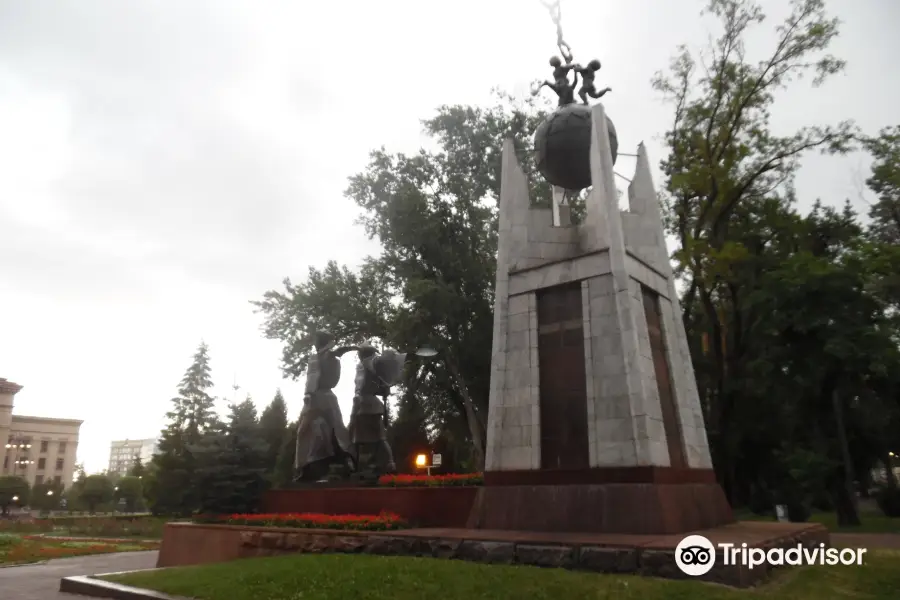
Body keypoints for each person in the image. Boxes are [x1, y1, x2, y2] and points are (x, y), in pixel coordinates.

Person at [293, 331, 358, 482]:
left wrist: (309, 393)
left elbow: (324, 379)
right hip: (321, 398)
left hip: (320, 396)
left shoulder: (325, 358)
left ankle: (346, 461)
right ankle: (308, 467)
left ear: (322, 341)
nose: (314, 343)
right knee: (316, 432)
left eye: (316, 340)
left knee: (327, 431)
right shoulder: (325, 358)